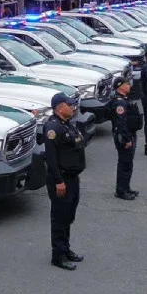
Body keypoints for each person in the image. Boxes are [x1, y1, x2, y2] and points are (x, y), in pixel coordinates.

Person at [43, 92, 86, 270]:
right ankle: (58, 256)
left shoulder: (66, 124)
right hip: (61, 180)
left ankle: (66, 249)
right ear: (60, 107)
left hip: (72, 178)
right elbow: (51, 159)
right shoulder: (53, 128)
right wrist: (59, 181)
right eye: (69, 105)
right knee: (60, 218)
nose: (73, 107)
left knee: (68, 216)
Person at [110, 78, 140, 200]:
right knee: (124, 163)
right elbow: (121, 123)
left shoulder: (125, 99)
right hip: (124, 137)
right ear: (120, 86)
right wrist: (127, 139)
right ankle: (121, 191)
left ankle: (126, 187)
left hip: (130, 134)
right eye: (126, 84)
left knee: (128, 163)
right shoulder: (120, 103)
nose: (129, 86)